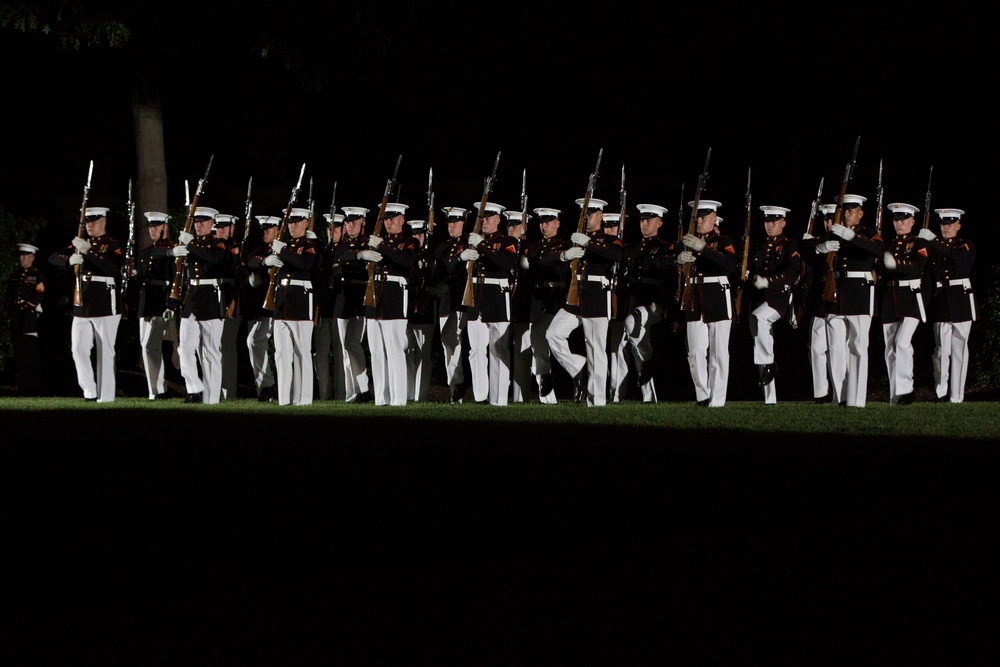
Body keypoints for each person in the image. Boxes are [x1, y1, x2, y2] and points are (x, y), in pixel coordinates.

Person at [546, 197, 624, 407]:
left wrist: (589, 243)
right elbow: (547, 257)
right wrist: (564, 255)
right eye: (584, 214)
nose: (587, 218)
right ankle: (578, 366)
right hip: (575, 296)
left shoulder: (607, 239)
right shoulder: (574, 239)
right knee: (553, 334)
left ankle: (597, 399)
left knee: (595, 347)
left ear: (600, 216)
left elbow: (617, 254)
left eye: (590, 214)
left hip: (597, 294)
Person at [49, 206, 123, 402]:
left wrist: (88, 251)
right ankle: (89, 391)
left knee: (105, 350)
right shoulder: (82, 242)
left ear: (104, 222)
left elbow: (112, 268)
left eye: (94, 221)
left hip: (106, 303)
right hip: (82, 304)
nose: (90, 225)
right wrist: (69, 260)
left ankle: (105, 396)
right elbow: (53, 257)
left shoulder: (113, 244)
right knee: (79, 349)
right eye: (87, 221)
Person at [817, 194, 883, 407]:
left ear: (861, 213)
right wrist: (821, 248)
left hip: (859, 292)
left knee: (858, 346)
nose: (846, 214)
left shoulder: (869, 234)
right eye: (844, 210)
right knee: (835, 347)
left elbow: (880, 250)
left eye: (851, 211)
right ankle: (841, 395)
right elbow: (811, 254)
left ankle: (856, 398)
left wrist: (852, 237)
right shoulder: (833, 232)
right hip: (835, 292)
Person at [673, 199, 737, 407]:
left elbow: (729, 264)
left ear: (713, 219)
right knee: (696, 351)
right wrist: (678, 258)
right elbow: (666, 257)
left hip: (717, 293)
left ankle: (717, 399)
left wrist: (704, 248)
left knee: (718, 352)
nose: (700, 221)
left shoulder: (724, 241)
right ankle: (702, 394)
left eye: (704, 217)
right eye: (697, 217)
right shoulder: (686, 241)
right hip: (693, 295)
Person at [361, 202, 418, 406]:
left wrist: (381, 246)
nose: (389, 222)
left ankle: (398, 398)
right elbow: (343, 253)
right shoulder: (377, 240)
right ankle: (381, 397)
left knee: (394, 349)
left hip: (394, 295)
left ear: (402, 220)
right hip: (373, 296)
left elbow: (406, 261)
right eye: (386, 219)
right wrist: (361, 254)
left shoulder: (409, 241)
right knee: (376, 351)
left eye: (393, 218)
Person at [169, 206, 228, 404]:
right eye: (196, 221)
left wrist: (191, 244)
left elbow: (213, 258)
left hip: (210, 297)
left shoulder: (218, 243)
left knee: (210, 351)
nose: (199, 225)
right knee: (184, 347)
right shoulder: (190, 245)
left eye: (203, 221)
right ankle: (194, 387)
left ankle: (211, 398)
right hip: (191, 298)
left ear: (212, 223)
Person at [919, 208, 976, 403]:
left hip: (960, 300)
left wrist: (934, 240)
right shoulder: (935, 247)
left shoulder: (965, 244)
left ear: (958, 226)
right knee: (941, 349)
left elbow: (959, 260)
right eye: (943, 224)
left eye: (950, 224)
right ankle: (941, 392)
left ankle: (957, 395)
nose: (946, 227)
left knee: (960, 349)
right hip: (941, 300)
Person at [465, 201, 518, 405]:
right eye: (482, 217)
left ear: (498, 219)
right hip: (475, 296)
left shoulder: (507, 241)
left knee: (498, 348)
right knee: (476, 350)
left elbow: (505, 263)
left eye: (488, 217)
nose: (484, 221)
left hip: (496, 295)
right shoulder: (472, 240)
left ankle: (499, 398)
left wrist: (481, 245)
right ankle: (480, 396)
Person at [747, 205, 801, 405]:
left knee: (759, 318)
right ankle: (769, 398)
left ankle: (769, 363)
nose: (770, 225)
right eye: (767, 221)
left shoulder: (790, 244)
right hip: (759, 298)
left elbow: (792, 272)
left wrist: (768, 281)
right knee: (760, 336)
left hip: (779, 297)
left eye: (774, 221)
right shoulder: (758, 246)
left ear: (783, 223)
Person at [267, 207, 320, 406]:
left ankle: (303, 398)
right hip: (282, 302)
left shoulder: (311, 244)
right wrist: (266, 259)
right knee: (281, 354)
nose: (293, 226)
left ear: (306, 223)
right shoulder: (285, 243)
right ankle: (284, 398)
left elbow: (306, 263)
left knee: (302, 352)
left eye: (297, 222)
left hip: (300, 300)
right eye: (290, 222)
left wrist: (282, 251)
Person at [623, 203, 673, 403]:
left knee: (631, 323)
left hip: (654, 301)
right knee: (637, 341)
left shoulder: (664, 247)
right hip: (634, 298)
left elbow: (669, 275)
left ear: (659, 222)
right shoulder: (633, 248)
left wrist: (670, 305)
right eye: (642, 220)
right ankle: (648, 396)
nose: (644, 224)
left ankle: (650, 361)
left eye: (649, 220)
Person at [880, 202, 929, 405]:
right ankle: (895, 395)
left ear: (912, 221)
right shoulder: (890, 244)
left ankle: (907, 389)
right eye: (896, 220)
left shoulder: (918, 243)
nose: (899, 224)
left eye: (903, 220)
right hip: (891, 295)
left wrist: (897, 264)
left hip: (911, 295)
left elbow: (919, 266)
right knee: (890, 348)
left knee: (902, 342)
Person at [523, 207, 570, 404]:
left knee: (552, 340)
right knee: (537, 343)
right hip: (538, 298)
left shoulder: (564, 246)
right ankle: (546, 395)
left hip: (555, 297)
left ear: (557, 223)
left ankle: (564, 383)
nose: (544, 226)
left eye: (549, 222)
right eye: (542, 222)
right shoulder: (534, 247)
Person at [333, 206, 374, 403]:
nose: (350, 226)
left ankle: (364, 388)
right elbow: (337, 257)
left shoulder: (369, 243)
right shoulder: (343, 245)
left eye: (354, 222)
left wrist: (353, 259)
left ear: (363, 222)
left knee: (352, 342)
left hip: (359, 297)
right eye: (348, 222)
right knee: (345, 347)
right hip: (343, 298)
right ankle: (352, 391)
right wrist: (356, 257)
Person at [134, 212, 176, 400]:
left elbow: (176, 278)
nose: (152, 230)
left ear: (165, 227)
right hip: (147, 301)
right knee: (146, 345)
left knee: (152, 344)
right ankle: (156, 390)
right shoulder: (145, 252)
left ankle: (159, 388)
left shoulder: (173, 250)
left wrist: (172, 303)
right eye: (150, 227)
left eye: (156, 226)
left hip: (163, 299)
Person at [798, 204, 838, 402]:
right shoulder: (818, 241)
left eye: (832, 219)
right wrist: (817, 247)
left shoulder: (845, 239)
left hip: (840, 296)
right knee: (816, 346)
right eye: (826, 219)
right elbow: (804, 253)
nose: (829, 223)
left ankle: (841, 392)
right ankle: (821, 393)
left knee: (839, 348)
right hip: (820, 297)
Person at [433, 206, 472, 403]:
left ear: (463, 223)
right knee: (448, 344)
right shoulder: (442, 248)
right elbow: (440, 271)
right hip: (446, 302)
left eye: (456, 222)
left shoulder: (469, 245)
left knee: (458, 342)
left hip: (461, 300)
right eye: (449, 222)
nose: (451, 226)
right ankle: (455, 389)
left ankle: (460, 384)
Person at [245, 215, 280, 401]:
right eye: (263, 229)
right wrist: (264, 262)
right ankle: (267, 385)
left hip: (284, 306)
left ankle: (276, 386)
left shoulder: (285, 249)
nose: (265, 232)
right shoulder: (260, 251)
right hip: (266, 307)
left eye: (269, 228)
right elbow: (251, 260)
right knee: (254, 341)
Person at [313, 212, 345, 400]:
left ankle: (341, 393)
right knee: (321, 353)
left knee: (340, 353)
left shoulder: (344, 249)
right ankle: (324, 393)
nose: (333, 233)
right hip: (323, 307)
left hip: (338, 308)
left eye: (337, 229)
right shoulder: (321, 250)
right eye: (330, 229)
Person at [7, 243, 46, 395]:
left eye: (25, 255)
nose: (21, 258)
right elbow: (10, 296)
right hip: (17, 319)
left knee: (31, 354)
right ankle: (23, 385)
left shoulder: (37, 275)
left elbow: (39, 293)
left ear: (32, 257)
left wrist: (25, 307)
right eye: (20, 255)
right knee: (20, 353)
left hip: (30, 319)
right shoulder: (15, 276)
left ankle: (34, 386)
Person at [212, 213, 242, 400]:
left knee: (227, 345)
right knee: (212, 345)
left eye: (224, 227)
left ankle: (228, 390)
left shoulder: (235, 248)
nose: (220, 230)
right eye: (218, 227)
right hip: (214, 299)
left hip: (230, 299)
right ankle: (215, 387)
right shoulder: (213, 247)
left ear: (232, 229)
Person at [406, 218, 436, 402]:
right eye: (414, 234)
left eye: (420, 234)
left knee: (423, 352)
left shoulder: (431, 256)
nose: (417, 237)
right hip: (408, 304)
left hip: (425, 306)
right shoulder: (409, 253)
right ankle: (409, 391)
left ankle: (421, 393)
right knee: (408, 350)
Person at [603, 212, 632, 403]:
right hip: (601, 302)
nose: (609, 230)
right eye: (606, 226)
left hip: (620, 303)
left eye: (613, 227)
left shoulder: (625, 250)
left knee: (618, 350)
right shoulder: (601, 249)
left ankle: (617, 394)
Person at [506, 210, 532, 403]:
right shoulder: (502, 247)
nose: (511, 228)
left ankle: (520, 396)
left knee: (521, 352)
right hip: (504, 304)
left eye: (515, 225)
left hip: (522, 304)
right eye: (509, 225)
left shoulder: (528, 249)